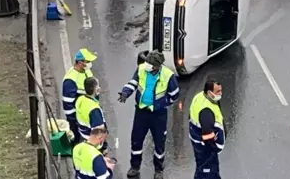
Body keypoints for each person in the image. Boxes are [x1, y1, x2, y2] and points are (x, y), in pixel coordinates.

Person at [117, 50, 180, 179]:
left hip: (158, 115)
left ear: (157, 66)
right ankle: (135, 167)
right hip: (141, 112)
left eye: (150, 64)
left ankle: (158, 170)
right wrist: (125, 93)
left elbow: (174, 95)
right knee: (136, 140)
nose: (147, 65)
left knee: (159, 143)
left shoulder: (168, 75)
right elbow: (133, 83)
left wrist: (162, 104)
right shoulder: (141, 69)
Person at [189, 80, 225, 179]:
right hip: (206, 148)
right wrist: (214, 147)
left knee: (202, 169)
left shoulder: (200, 96)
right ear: (209, 92)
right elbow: (207, 134)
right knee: (207, 172)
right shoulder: (206, 111)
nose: (221, 93)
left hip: (198, 142)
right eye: (218, 91)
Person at [63, 48, 97, 144]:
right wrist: (73, 121)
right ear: (80, 63)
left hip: (89, 113)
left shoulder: (87, 71)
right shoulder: (70, 80)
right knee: (79, 142)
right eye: (88, 61)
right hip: (79, 118)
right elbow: (67, 104)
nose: (90, 63)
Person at [76, 77, 109, 153]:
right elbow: (99, 133)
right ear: (96, 90)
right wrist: (104, 148)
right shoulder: (94, 110)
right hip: (94, 145)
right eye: (98, 86)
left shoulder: (80, 99)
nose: (99, 88)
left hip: (83, 136)